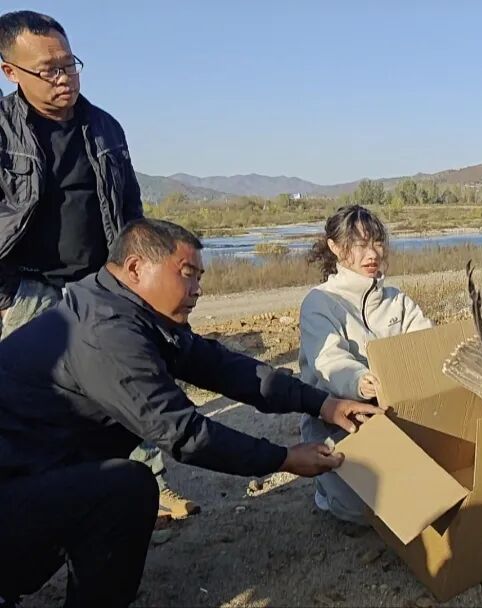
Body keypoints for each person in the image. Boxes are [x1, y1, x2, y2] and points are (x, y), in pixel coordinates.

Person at [0, 219, 382, 607]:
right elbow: (185, 434)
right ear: (135, 268)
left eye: (199, 277)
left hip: (33, 472)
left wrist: (323, 403)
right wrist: (284, 458)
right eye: (187, 274)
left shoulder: (129, 311)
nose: (197, 289)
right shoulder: (107, 333)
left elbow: (225, 369)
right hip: (11, 489)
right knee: (126, 490)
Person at [0, 10, 197, 519]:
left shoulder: (104, 126)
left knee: (134, 377)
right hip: (29, 288)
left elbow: (129, 206)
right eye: (48, 69)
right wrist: (7, 293)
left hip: (102, 281)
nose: (63, 77)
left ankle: (151, 485)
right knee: (38, 405)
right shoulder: (2, 133)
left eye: (70, 64)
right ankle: (52, 501)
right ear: (10, 71)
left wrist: (139, 272)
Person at [298, 205, 433, 523]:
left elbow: (425, 343)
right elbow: (329, 362)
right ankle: (327, 488)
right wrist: (360, 381)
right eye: (359, 244)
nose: (371, 254)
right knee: (361, 512)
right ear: (334, 247)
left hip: (393, 413)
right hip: (338, 421)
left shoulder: (396, 300)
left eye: (377, 243)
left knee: (420, 495)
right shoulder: (320, 302)